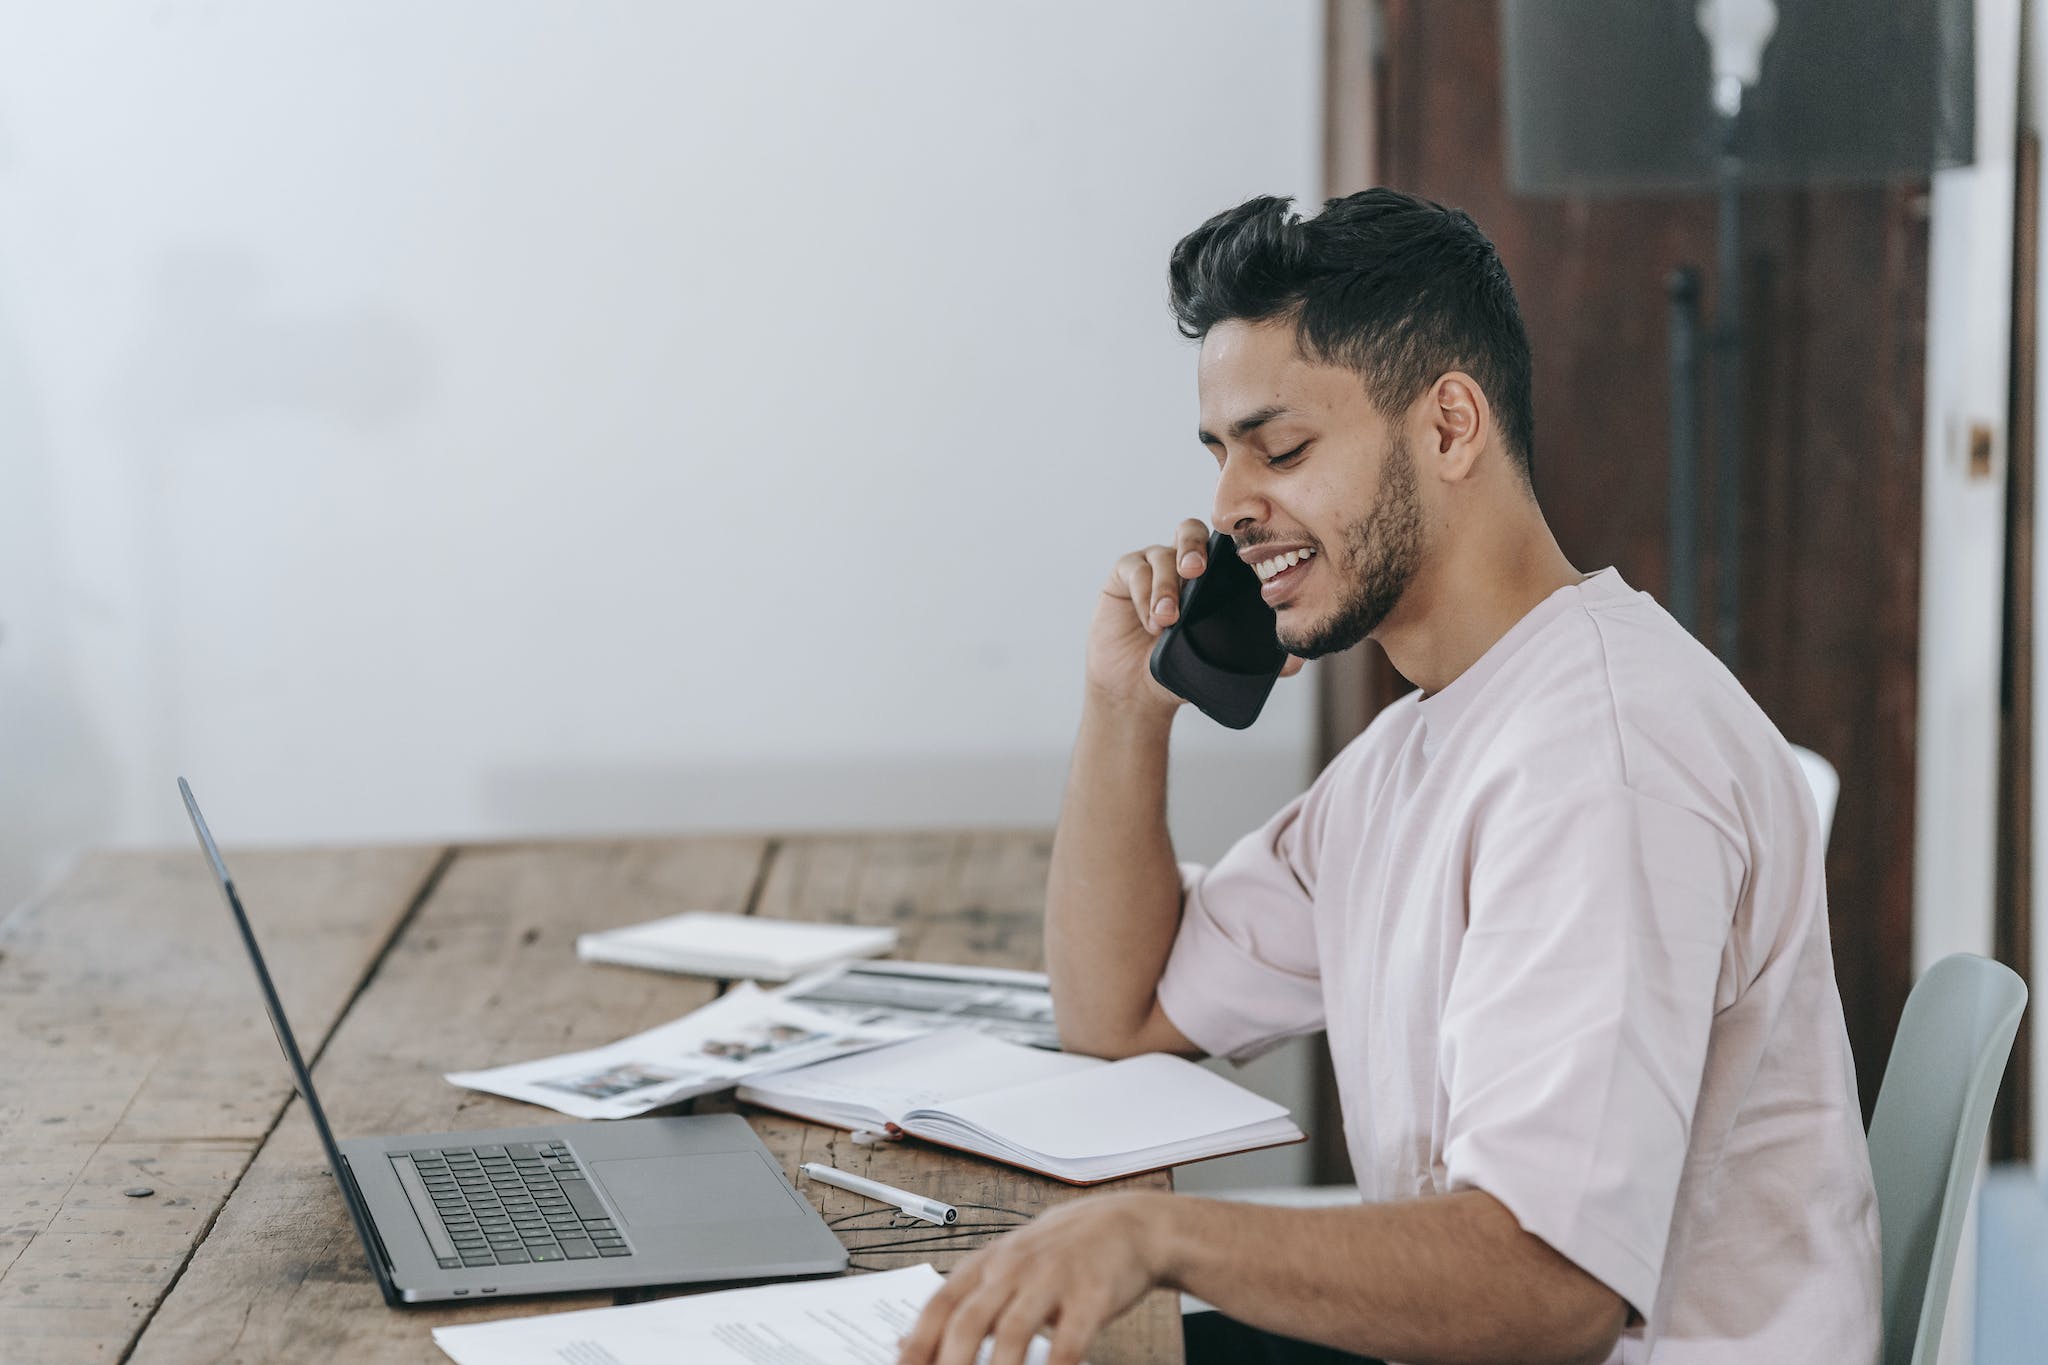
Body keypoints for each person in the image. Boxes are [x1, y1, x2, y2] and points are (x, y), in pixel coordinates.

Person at [896, 189, 1880, 1365]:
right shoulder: (1424, 745)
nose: (1228, 510)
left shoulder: (1601, 765)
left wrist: (1155, 1236)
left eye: (1283, 448)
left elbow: (1548, 1287)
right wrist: (1126, 709)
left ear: (1450, 426)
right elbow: (1119, 1019)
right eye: (1219, 457)